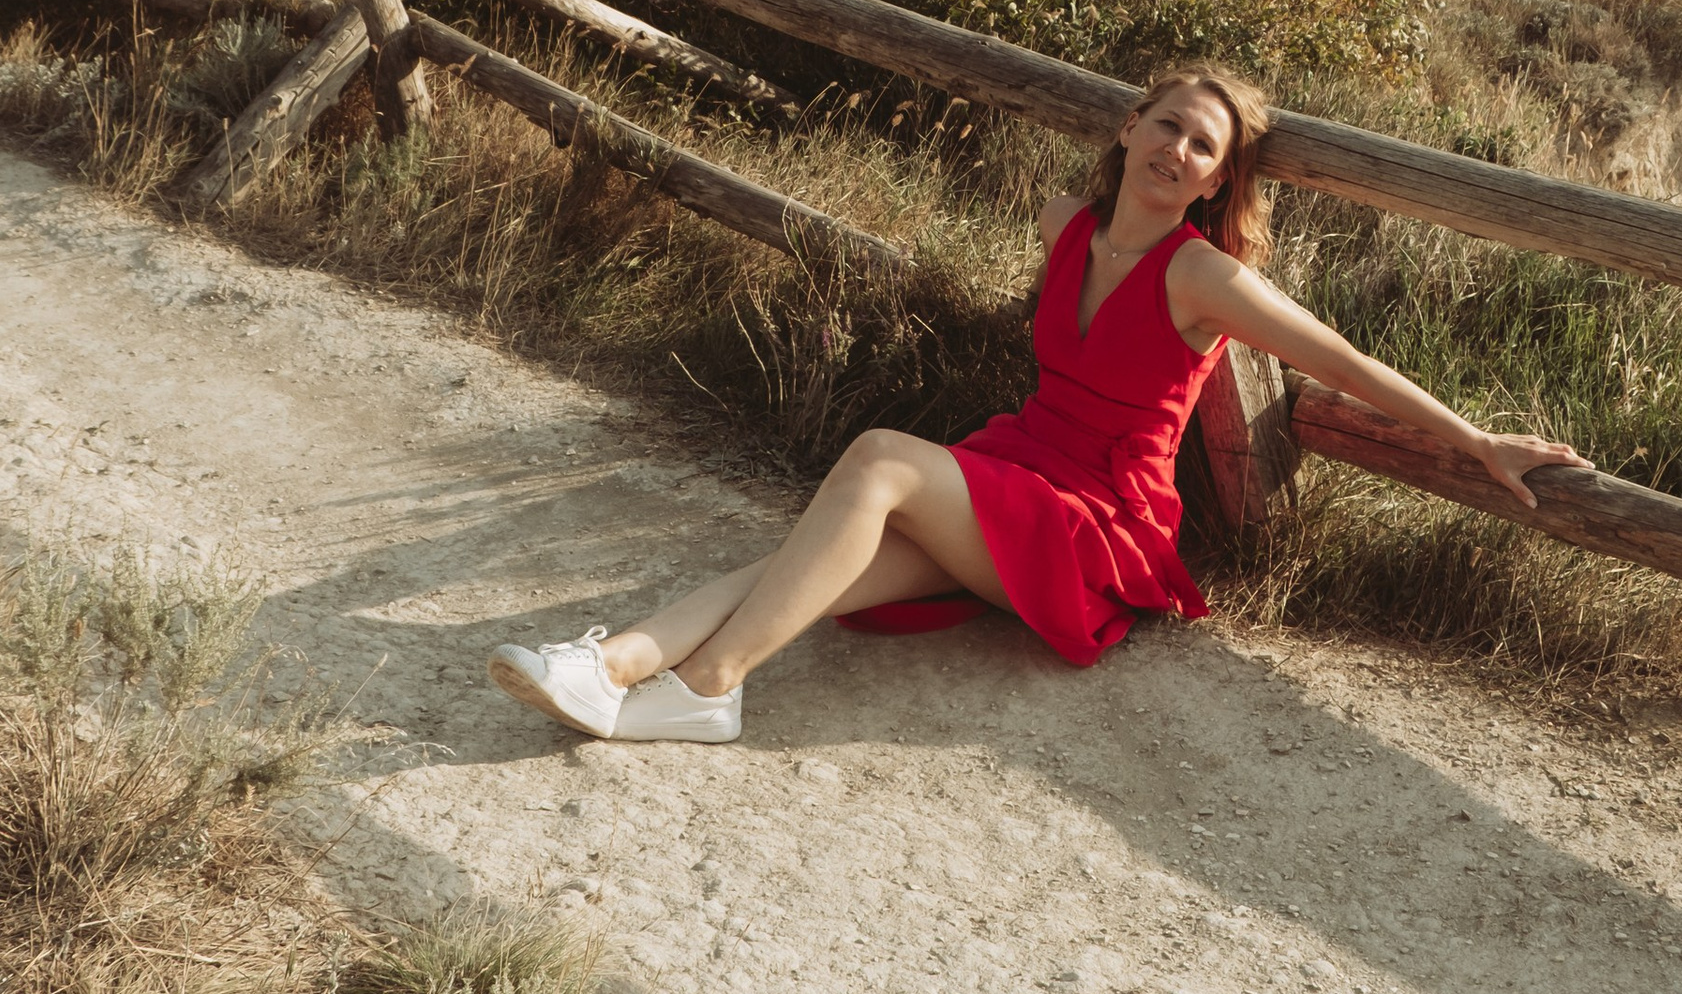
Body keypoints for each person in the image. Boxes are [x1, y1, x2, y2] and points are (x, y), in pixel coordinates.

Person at [488, 64, 1590, 743]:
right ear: (1129, 129)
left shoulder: (1202, 275)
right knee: (800, 568)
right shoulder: (1071, 221)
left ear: (1215, 181)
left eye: (1203, 147)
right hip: (1019, 472)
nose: (1178, 149)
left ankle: (713, 685)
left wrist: (1472, 440)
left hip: (1099, 524)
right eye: (1166, 125)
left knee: (876, 459)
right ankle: (615, 665)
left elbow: (1342, 361)